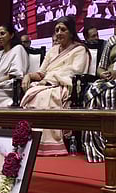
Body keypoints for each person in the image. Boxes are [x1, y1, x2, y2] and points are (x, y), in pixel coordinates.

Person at [21, 16, 90, 156]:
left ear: (71, 32)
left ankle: (45, 144)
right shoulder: (52, 50)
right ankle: (31, 142)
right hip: (47, 83)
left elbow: (74, 72)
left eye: (63, 29)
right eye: (57, 30)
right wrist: (28, 76)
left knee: (42, 95)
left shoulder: (80, 50)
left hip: (64, 86)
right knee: (33, 92)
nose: (58, 33)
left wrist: (49, 79)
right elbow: (41, 72)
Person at [82, 31, 116, 163]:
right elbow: (100, 68)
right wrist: (104, 74)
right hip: (109, 79)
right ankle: (101, 146)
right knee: (92, 91)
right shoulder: (111, 41)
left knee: (111, 93)